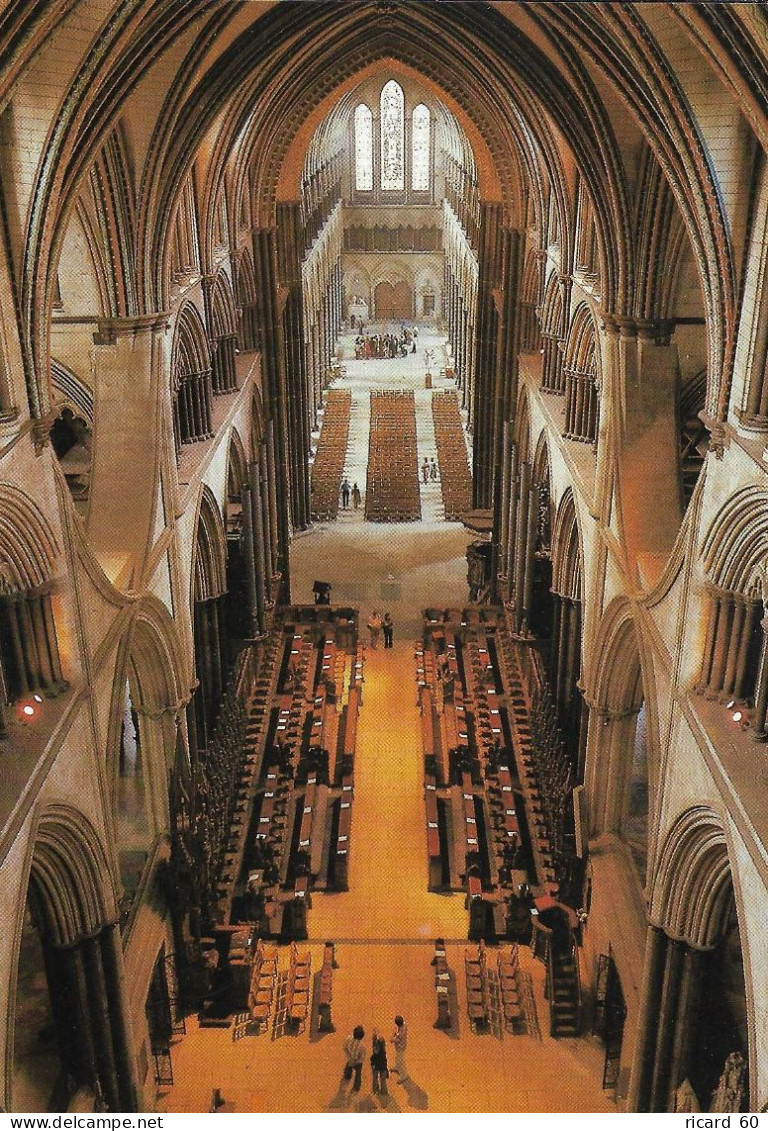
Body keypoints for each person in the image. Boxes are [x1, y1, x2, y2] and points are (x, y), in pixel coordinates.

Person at [343, 1025, 366, 1091]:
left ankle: (348, 1077)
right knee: (358, 1074)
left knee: (348, 1068)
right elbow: (362, 1057)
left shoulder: (348, 1039)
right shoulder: (362, 1046)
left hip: (352, 1059)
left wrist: (351, 1059)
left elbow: (345, 1048)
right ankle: (356, 1087)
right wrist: (355, 1060)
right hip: (357, 1062)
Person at [390, 1015, 408, 1082]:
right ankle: (397, 1067)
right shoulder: (401, 1026)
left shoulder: (403, 1030)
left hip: (401, 1046)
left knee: (401, 1061)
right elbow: (396, 1032)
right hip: (398, 1046)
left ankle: (404, 1076)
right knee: (397, 1058)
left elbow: (399, 1039)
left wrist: (392, 1040)